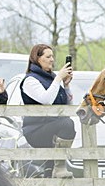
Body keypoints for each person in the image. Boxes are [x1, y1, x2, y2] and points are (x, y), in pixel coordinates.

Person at [20, 44, 76, 178]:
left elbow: (67, 106)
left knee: (50, 162)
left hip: (52, 125)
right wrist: (58, 79)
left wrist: (66, 85)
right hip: (36, 129)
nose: (52, 60)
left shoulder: (52, 79)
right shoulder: (30, 80)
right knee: (67, 124)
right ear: (37, 58)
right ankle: (60, 166)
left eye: (53, 56)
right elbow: (46, 100)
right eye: (48, 56)